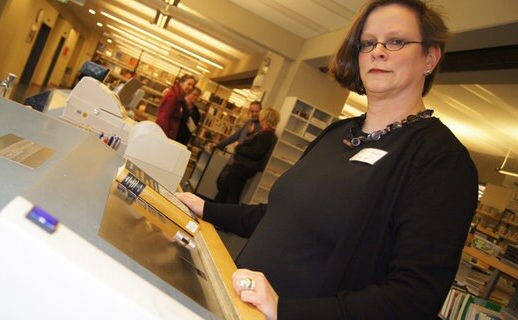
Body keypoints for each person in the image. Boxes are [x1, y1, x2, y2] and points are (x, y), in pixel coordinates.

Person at [175, 1, 478, 319]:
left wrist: (286, 310)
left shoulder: (441, 160)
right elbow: (280, 216)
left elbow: (415, 297)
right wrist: (205, 208)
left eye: (396, 41)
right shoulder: (336, 133)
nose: (377, 51)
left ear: (430, 57)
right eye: (367, 43)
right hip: (233, 303)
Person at [214, 108, 279, 204]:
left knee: (230, 193)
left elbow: (255, 153)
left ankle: (220, 214)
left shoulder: (266, 135)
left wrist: (238, 146)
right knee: (226, 190)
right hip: (243, 167)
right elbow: (256, 148)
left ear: (264, 118)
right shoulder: (267, 134)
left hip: (242, 168)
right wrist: (251, 133)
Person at [155, 74, 196, 140]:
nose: (191, 87)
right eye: (189, 84)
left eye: (192, 86)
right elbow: (163, 117)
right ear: (181, 83)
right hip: (163, 135)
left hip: (168, 135)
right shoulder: (173, 97)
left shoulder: (180, 98)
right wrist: (164, 137)